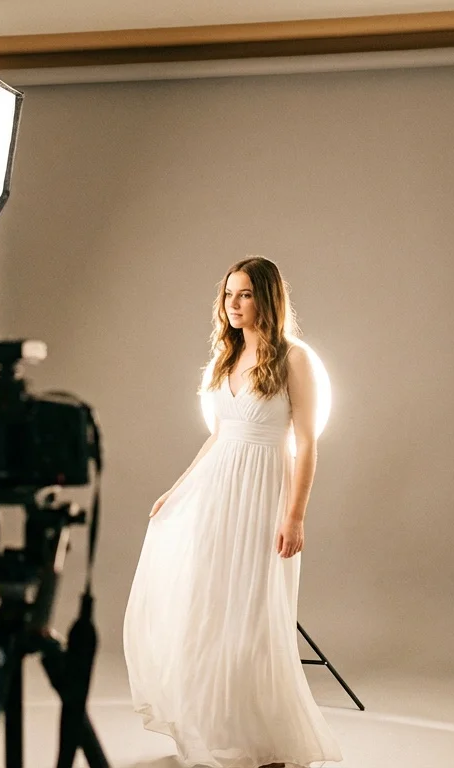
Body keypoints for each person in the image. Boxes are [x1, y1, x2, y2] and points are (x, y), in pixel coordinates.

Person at [122, 257, 342, 768]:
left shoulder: (294, 359)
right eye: (228, 295)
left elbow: (306, 445)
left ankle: (272, 745)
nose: (234, 305)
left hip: (265, 492)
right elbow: (219, 437)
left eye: (244, 295)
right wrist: (175, 490)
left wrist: (295, 516)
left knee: (257, 619)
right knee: (212, 611)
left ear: (267, 297)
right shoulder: (226, 356)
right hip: (217, 491)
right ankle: (226, 733)